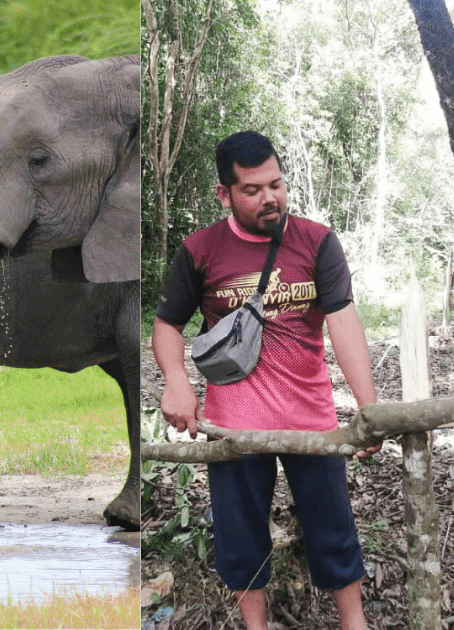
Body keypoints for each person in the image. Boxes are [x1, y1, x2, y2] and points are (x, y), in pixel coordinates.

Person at [153, 130, 379, 630]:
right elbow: (167, 324)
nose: (269, 197)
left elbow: (343, 320)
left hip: (311, 420)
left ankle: (353, 623)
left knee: (334, 529)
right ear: (225, 194)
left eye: (275, 184)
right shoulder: (200, 250)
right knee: (240, 537)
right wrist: (176, 380)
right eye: (252, 190)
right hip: (235, 427)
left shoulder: (317, 241)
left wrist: (368, 405)